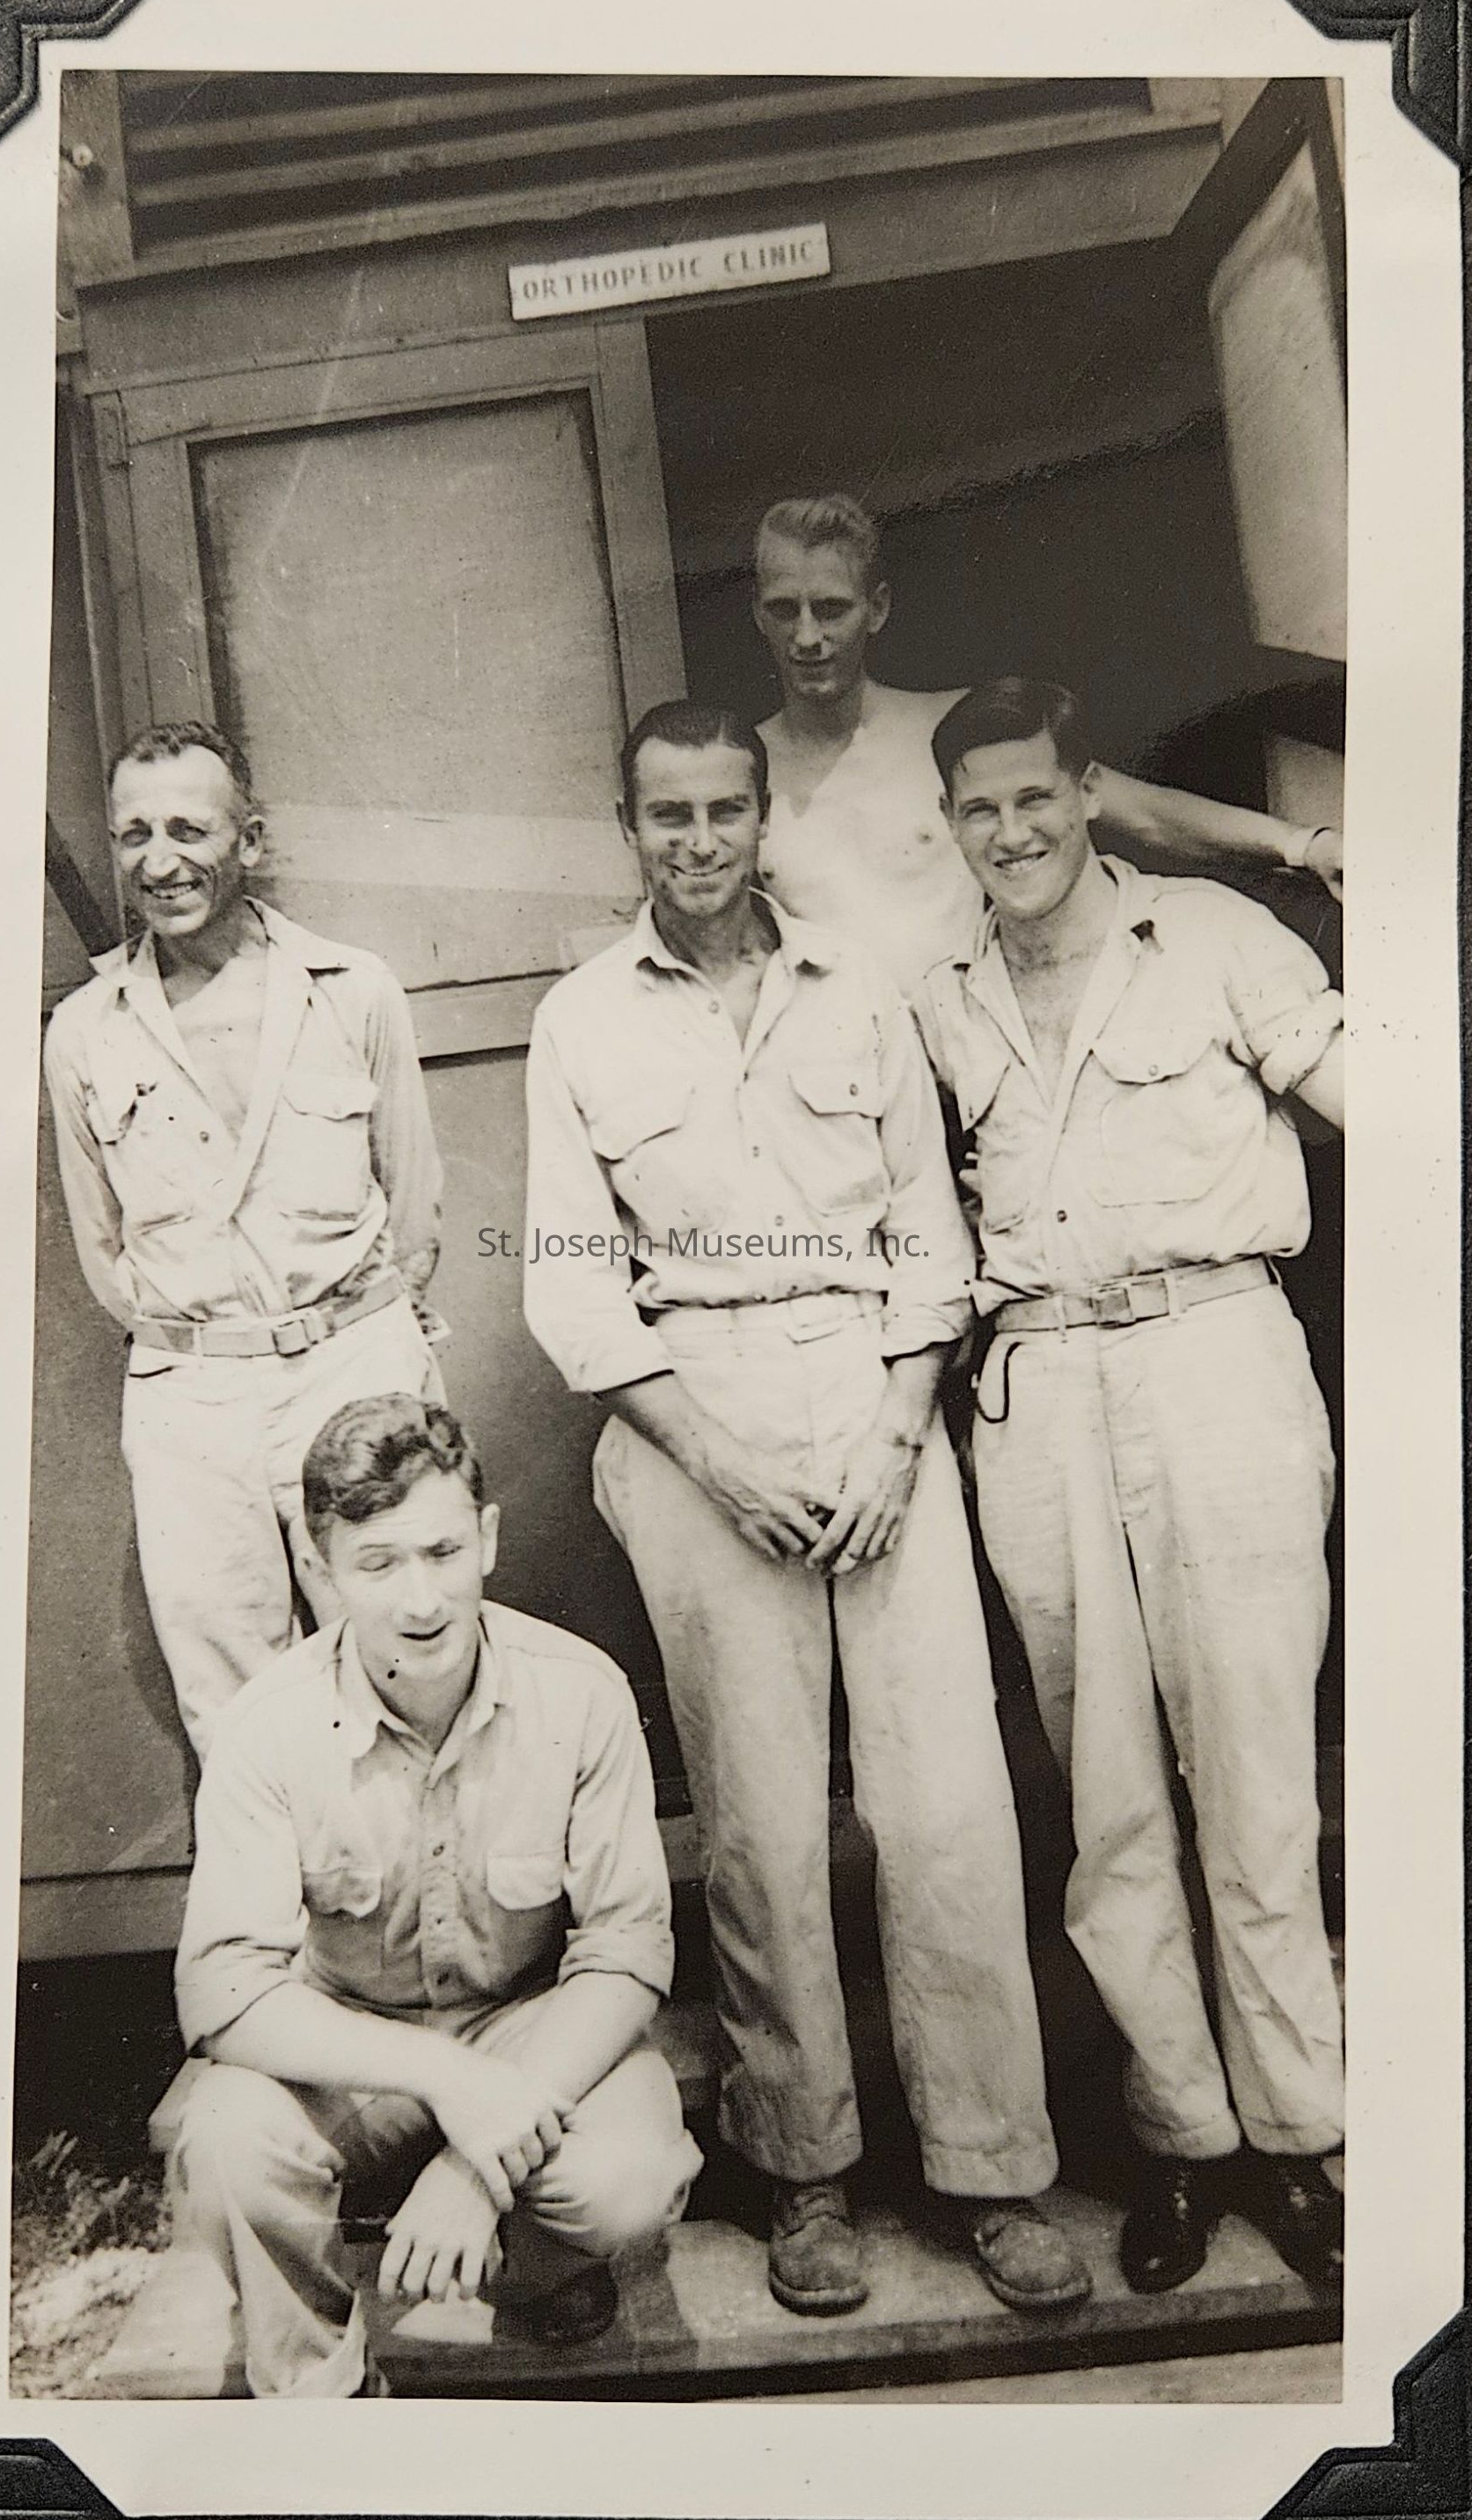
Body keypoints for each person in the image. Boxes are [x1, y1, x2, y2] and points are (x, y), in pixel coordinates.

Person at [522, 697, 1089, 2320]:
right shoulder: (581, 1021)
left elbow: (929, 1230)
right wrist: (717, 1459)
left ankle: (991, 2166)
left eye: (724, 809)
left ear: (761, 816)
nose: (698, 841)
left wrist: (901, 1431)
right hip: (693, 1415)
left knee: (947, 1805)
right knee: (761, 1823)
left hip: (873, 1395)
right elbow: (572, 1287)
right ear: (628, 828)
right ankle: (803, 2168)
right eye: (667, 815)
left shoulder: (856, 987)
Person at [918, 677, 1344, 2296]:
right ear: (947, 825)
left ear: (1085, 790)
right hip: (1037, 1391)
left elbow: (1389, 1104)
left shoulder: (1214, 938)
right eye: (978, 808)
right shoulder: (936, 997)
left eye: (1033, 795)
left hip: (1213, 1355)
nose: (1010, 831)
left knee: (1251, 1768)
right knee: (1106, 1797)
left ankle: (1297, 2132)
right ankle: (1181, 2136)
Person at [168, 1394, 701, 2396]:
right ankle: (319, 2393)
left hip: (523, 2025)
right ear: (321, 1568)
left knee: (627, 2175)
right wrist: (451, 2085)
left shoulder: (580, 1692)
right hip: (352, 2045)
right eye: (377, 1564)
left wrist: (471, 2170)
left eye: (443, 1551)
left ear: (487, 1537)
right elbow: (224, 1990)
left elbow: (626, 1953)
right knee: (228, 2143)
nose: (421, 1601)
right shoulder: (265, 1727)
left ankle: (525, 2265)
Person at [43, 722, 446, 1757]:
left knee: (410, 1663)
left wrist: (361, 1344)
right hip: (193, 1400)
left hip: (352, 1364)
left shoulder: (351, 990)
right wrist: (207, 1349)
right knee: (234, 1715)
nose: (160, 861)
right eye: (135, 835)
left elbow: (413, 1207)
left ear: (250, 839)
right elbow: (104, 1250)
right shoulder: (84, 1033)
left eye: (189, 829)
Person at [751, 493, 1344, 996]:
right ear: (758, 615)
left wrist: (1300, 844)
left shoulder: (953, 729)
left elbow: (1142, 813)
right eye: (784, 610)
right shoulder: (740, 771)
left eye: (831, 609)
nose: (807, 636)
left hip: (977, 1049)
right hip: (841, 1075)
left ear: (876, 608)